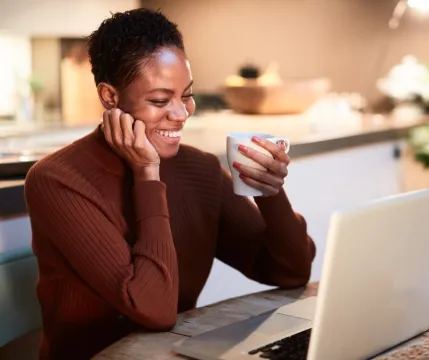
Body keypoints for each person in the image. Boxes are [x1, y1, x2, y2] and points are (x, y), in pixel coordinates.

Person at [24, 8, 316, 360]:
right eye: (160, 100)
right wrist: (147, 173)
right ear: (110, 97)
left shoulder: (199, 168)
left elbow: (291, 271)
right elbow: (155, 310)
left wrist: (269, 192)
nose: (180, 114)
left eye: (186, 95)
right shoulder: (57, 181)